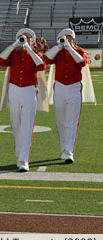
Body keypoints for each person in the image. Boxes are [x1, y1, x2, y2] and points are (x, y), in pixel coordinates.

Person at [0, 28, 47, 172]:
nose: (24, 40)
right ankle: (20, 155)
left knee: (27, 126)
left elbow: (41, 66)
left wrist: (30, 49)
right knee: (15, 124)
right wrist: (14, 45)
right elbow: (1, 60)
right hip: (14, 90)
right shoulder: (13, 53)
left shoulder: (35, 54)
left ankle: (23, 160)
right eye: (21, 38)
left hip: (29, 90)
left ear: (32, 41)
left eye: (28, 38)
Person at [44, 28, 96, 163]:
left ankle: (69, 151)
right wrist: (59, 46)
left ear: (74, 39)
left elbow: (82, 63)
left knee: (71, 121)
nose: (66, 39)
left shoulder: (79, 51)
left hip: (74, 87)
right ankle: (64, 148)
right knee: (60, 121)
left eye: (69, 37)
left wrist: (70, 48)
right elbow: (47, 59)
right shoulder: (58, 52)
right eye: (63, 37)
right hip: (60, 87)